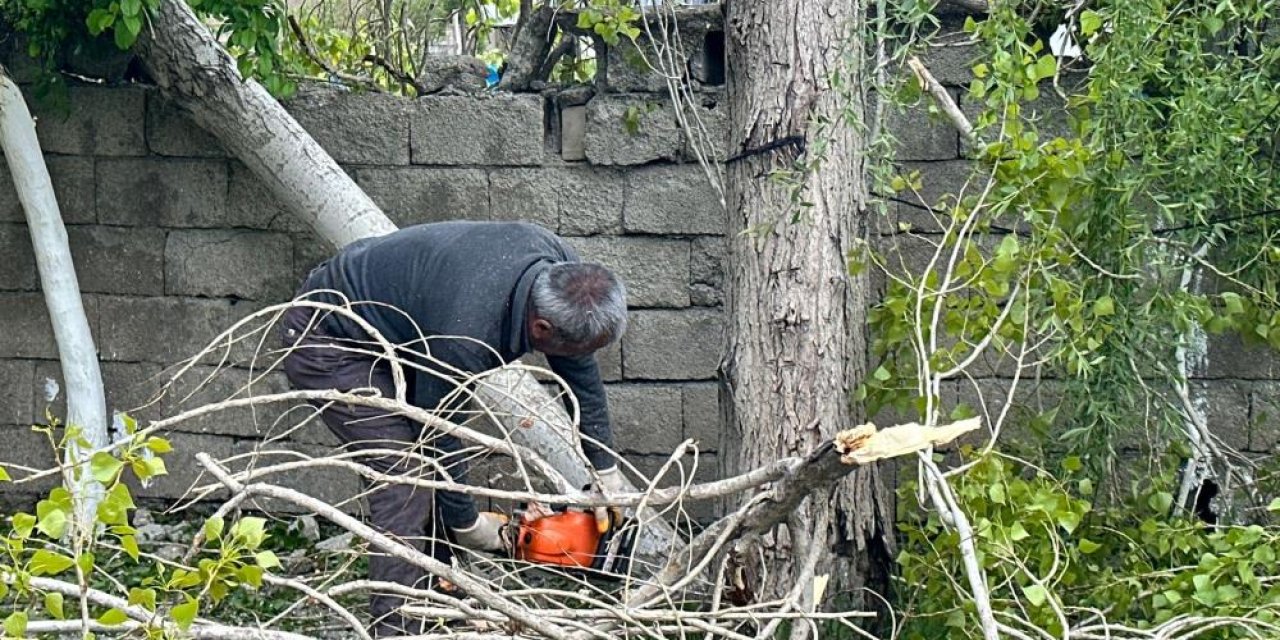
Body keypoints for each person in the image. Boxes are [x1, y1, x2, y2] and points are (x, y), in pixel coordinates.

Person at [279, 220, 627, 636]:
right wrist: (470, 527)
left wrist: (604, 471)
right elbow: (438, 432)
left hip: (400, 333)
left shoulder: (563, 274)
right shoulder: (465, 331)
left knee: (432, 471)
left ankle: (439, 598)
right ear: (541, 329)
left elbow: (580, 374)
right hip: (329, 341)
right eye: (572, 346)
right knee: (404, 477)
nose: (579, 357)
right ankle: (396, 628)